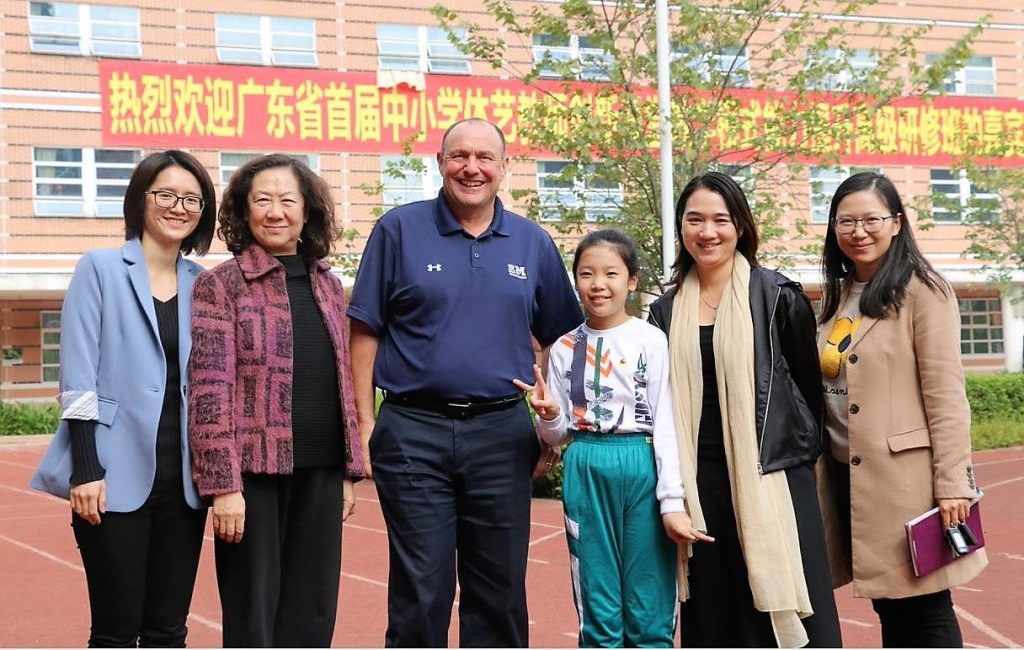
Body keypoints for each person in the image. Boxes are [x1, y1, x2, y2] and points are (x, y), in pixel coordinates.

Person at [347, 118, 584, 648]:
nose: (471, 168)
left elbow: (562, 339)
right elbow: (363, 330)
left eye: (484, 158)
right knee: (421, 589)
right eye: (459, 156)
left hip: (501, 432)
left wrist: (552, 424)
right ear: (440, 162)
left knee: (499, 591)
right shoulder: (398, 230)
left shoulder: (532, 243)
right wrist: (364, 422)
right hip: (412, 430)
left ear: (504, 168)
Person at [31, 150, 216, 647]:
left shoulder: (204, 285)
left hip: (184, 482)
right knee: (115, 630)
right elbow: (77, 380)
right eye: (166, 194)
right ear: (140, 200)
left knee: (168, 630)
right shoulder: (100, 268)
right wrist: (86, 469)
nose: (179, 207)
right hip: (111, 477)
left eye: (192, 199)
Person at [648, 171, 841, 648]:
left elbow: (805, 388)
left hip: (772, 474)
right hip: (700, 480)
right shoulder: (664, 312)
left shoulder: (777, 296)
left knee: (790, 608)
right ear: (681, 227)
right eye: (695, 219)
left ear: (740, 227)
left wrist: (801, 455)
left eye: (720, 219)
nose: (707, 231)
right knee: (715, 614)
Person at [187, 154, 364, 648]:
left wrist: (348, 471)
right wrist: (223, 486)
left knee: (313, 612)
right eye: (262, 200)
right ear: (243, 212)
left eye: (288, 200)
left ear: (307, 213)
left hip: (321, 472)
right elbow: (209, 389)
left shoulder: (328, 284)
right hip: (253, 476)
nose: (275, 211)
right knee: (253, 617)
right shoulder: (220, 284)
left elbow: (343, 381)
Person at [816, 171, 987, 647]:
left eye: (871, 219)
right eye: (846, 221)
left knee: (925, 606)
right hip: (848, 477)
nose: (859, 231)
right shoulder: (837, 293)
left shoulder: (922, 291)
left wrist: (954, 483)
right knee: (889, 606)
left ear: (896, 222)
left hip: (905, 483)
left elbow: (947, 395)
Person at [516, 229, 678, 647]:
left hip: (641, 463)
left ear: (632, 280)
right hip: (586, 463)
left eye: (611, 273)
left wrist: (672, 499)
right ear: (576, 283)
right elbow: (558, 435)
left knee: (650, 602)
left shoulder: (651, 339)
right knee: (598, 602)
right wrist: (548, 415)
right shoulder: (567, 347)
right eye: (586, 274)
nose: (598, 284)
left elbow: (666, 422)